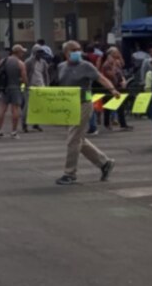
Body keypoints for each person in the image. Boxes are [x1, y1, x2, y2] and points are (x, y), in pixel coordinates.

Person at [55, 40, 119, 186]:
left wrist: (112, 89)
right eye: (74, 49)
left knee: (73, 139)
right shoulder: (61, 67)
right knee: (78, 139)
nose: (78, 52)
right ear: (66, 53)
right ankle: (105, 163)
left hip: (84, 103)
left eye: (79, 49)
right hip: (68, 105)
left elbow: (101, 78)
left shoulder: (86, 66)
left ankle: (69, 173)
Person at [0, 45, 28, 139]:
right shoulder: (20, 63)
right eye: (22, 52)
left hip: (5, 87)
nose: (23, 54)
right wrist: (25, 84)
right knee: (15, 110)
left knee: (2, 109)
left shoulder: (3, 60)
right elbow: (24, 78)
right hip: (15, 87)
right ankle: (13, 132)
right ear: (18, 52)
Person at [100, 47, 132, 131]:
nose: (117, 54)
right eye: (116, 52)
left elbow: (121, 69)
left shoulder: (116, 62)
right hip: (110, 87)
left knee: (120, 106)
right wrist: (113, 64)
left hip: (118, 87)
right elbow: (112, 75)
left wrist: (123, 80)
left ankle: (122, 124)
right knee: (108, 107)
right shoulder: (106, 65)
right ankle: (107, 123)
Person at [23, 44, 49, 133]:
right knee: (27, 107)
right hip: (31, 86)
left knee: (39, 106)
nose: (40, 54)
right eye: (38, 52)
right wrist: (26, 85)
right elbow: (24, 73)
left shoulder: (43, 62)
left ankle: (36, 124)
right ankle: (24, 125)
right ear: (34, 52)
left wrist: (47, 85)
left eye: (41, 53)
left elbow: (46, 74)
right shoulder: (28, 62)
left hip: (41, 86)